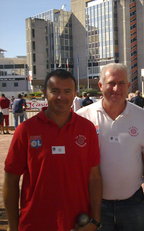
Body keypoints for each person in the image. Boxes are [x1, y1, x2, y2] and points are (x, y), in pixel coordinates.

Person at [3, 69, 102, 231]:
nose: (61, 97)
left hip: (77, 224)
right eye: (54, 91)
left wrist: (96, 221)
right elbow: (11, 179)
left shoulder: (87, 129)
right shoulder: (26, 130)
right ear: (45, 92)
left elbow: (94, 177)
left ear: (75, 93)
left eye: (67, 91)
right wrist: (13, 226)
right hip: (34, 224)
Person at [77, 63, 144, 231]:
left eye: (121, 83)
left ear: (128, 86)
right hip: (95, 204)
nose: (116, 88)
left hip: (133, 202)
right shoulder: (82, 118)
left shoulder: (141, 116)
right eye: (111, 83)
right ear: (100, 85)